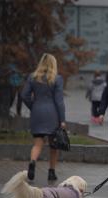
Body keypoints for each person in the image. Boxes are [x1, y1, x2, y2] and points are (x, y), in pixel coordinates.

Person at [20, 53, 66, 181]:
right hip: (52, 114)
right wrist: (62, 119)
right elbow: (59, 101)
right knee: (53, 145)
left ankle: (33, 162)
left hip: (37, 112)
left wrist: (33, 106)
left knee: (37, 143)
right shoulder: (57, 79)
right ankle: (51, 172)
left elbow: (24, 95)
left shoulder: (32, 77)